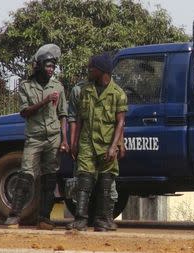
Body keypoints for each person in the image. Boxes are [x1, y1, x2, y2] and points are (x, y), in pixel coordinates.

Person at [5, 44, 68, 229]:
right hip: (34, 137)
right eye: (48, 66)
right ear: (39, 66)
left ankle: (44, 218)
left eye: (53, 67)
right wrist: (45, 101)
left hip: (53, 137)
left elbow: (63, 114)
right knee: (26, 175)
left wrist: (64, 140)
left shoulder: (58, 87)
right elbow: (25, 112)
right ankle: (14, 215)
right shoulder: (26, 86)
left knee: (50, 178)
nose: (51, 70)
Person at [67, 53, 127, 232]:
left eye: (91, 68)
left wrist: (115, 146)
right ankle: (80, 220)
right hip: (87, 142)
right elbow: (79, 118)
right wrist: (75, 141)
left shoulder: (118, 94)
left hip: (107, 143)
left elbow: (121, 122)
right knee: (84, 180)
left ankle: (102, 220)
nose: (88, 71)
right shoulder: (85, 90)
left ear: (101, 71)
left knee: (105, 183)